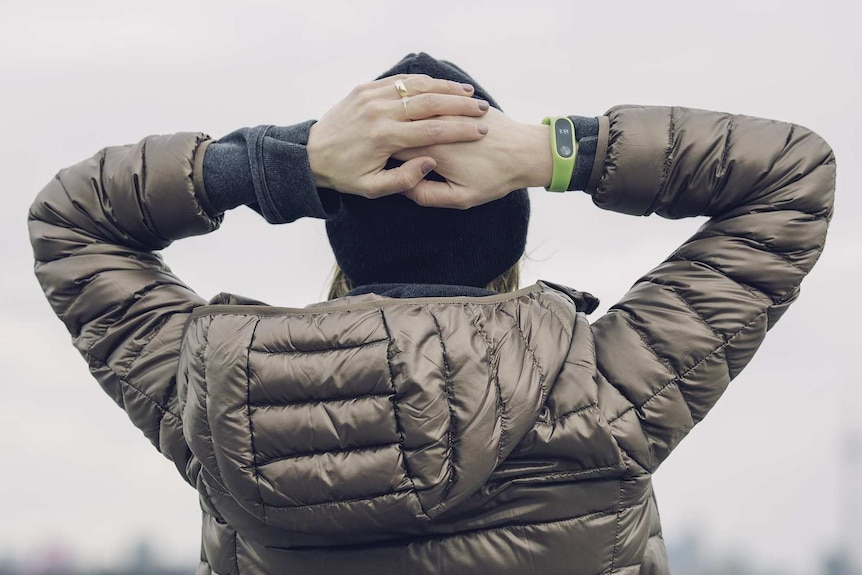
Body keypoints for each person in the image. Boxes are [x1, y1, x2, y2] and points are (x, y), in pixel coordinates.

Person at [29, 53, 835, 575]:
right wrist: (555, 153)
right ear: (503, 234)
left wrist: (285, 163)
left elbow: (73, 220)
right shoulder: (601, 395)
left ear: (346, 245)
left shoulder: (217, 403)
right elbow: (791, 177)